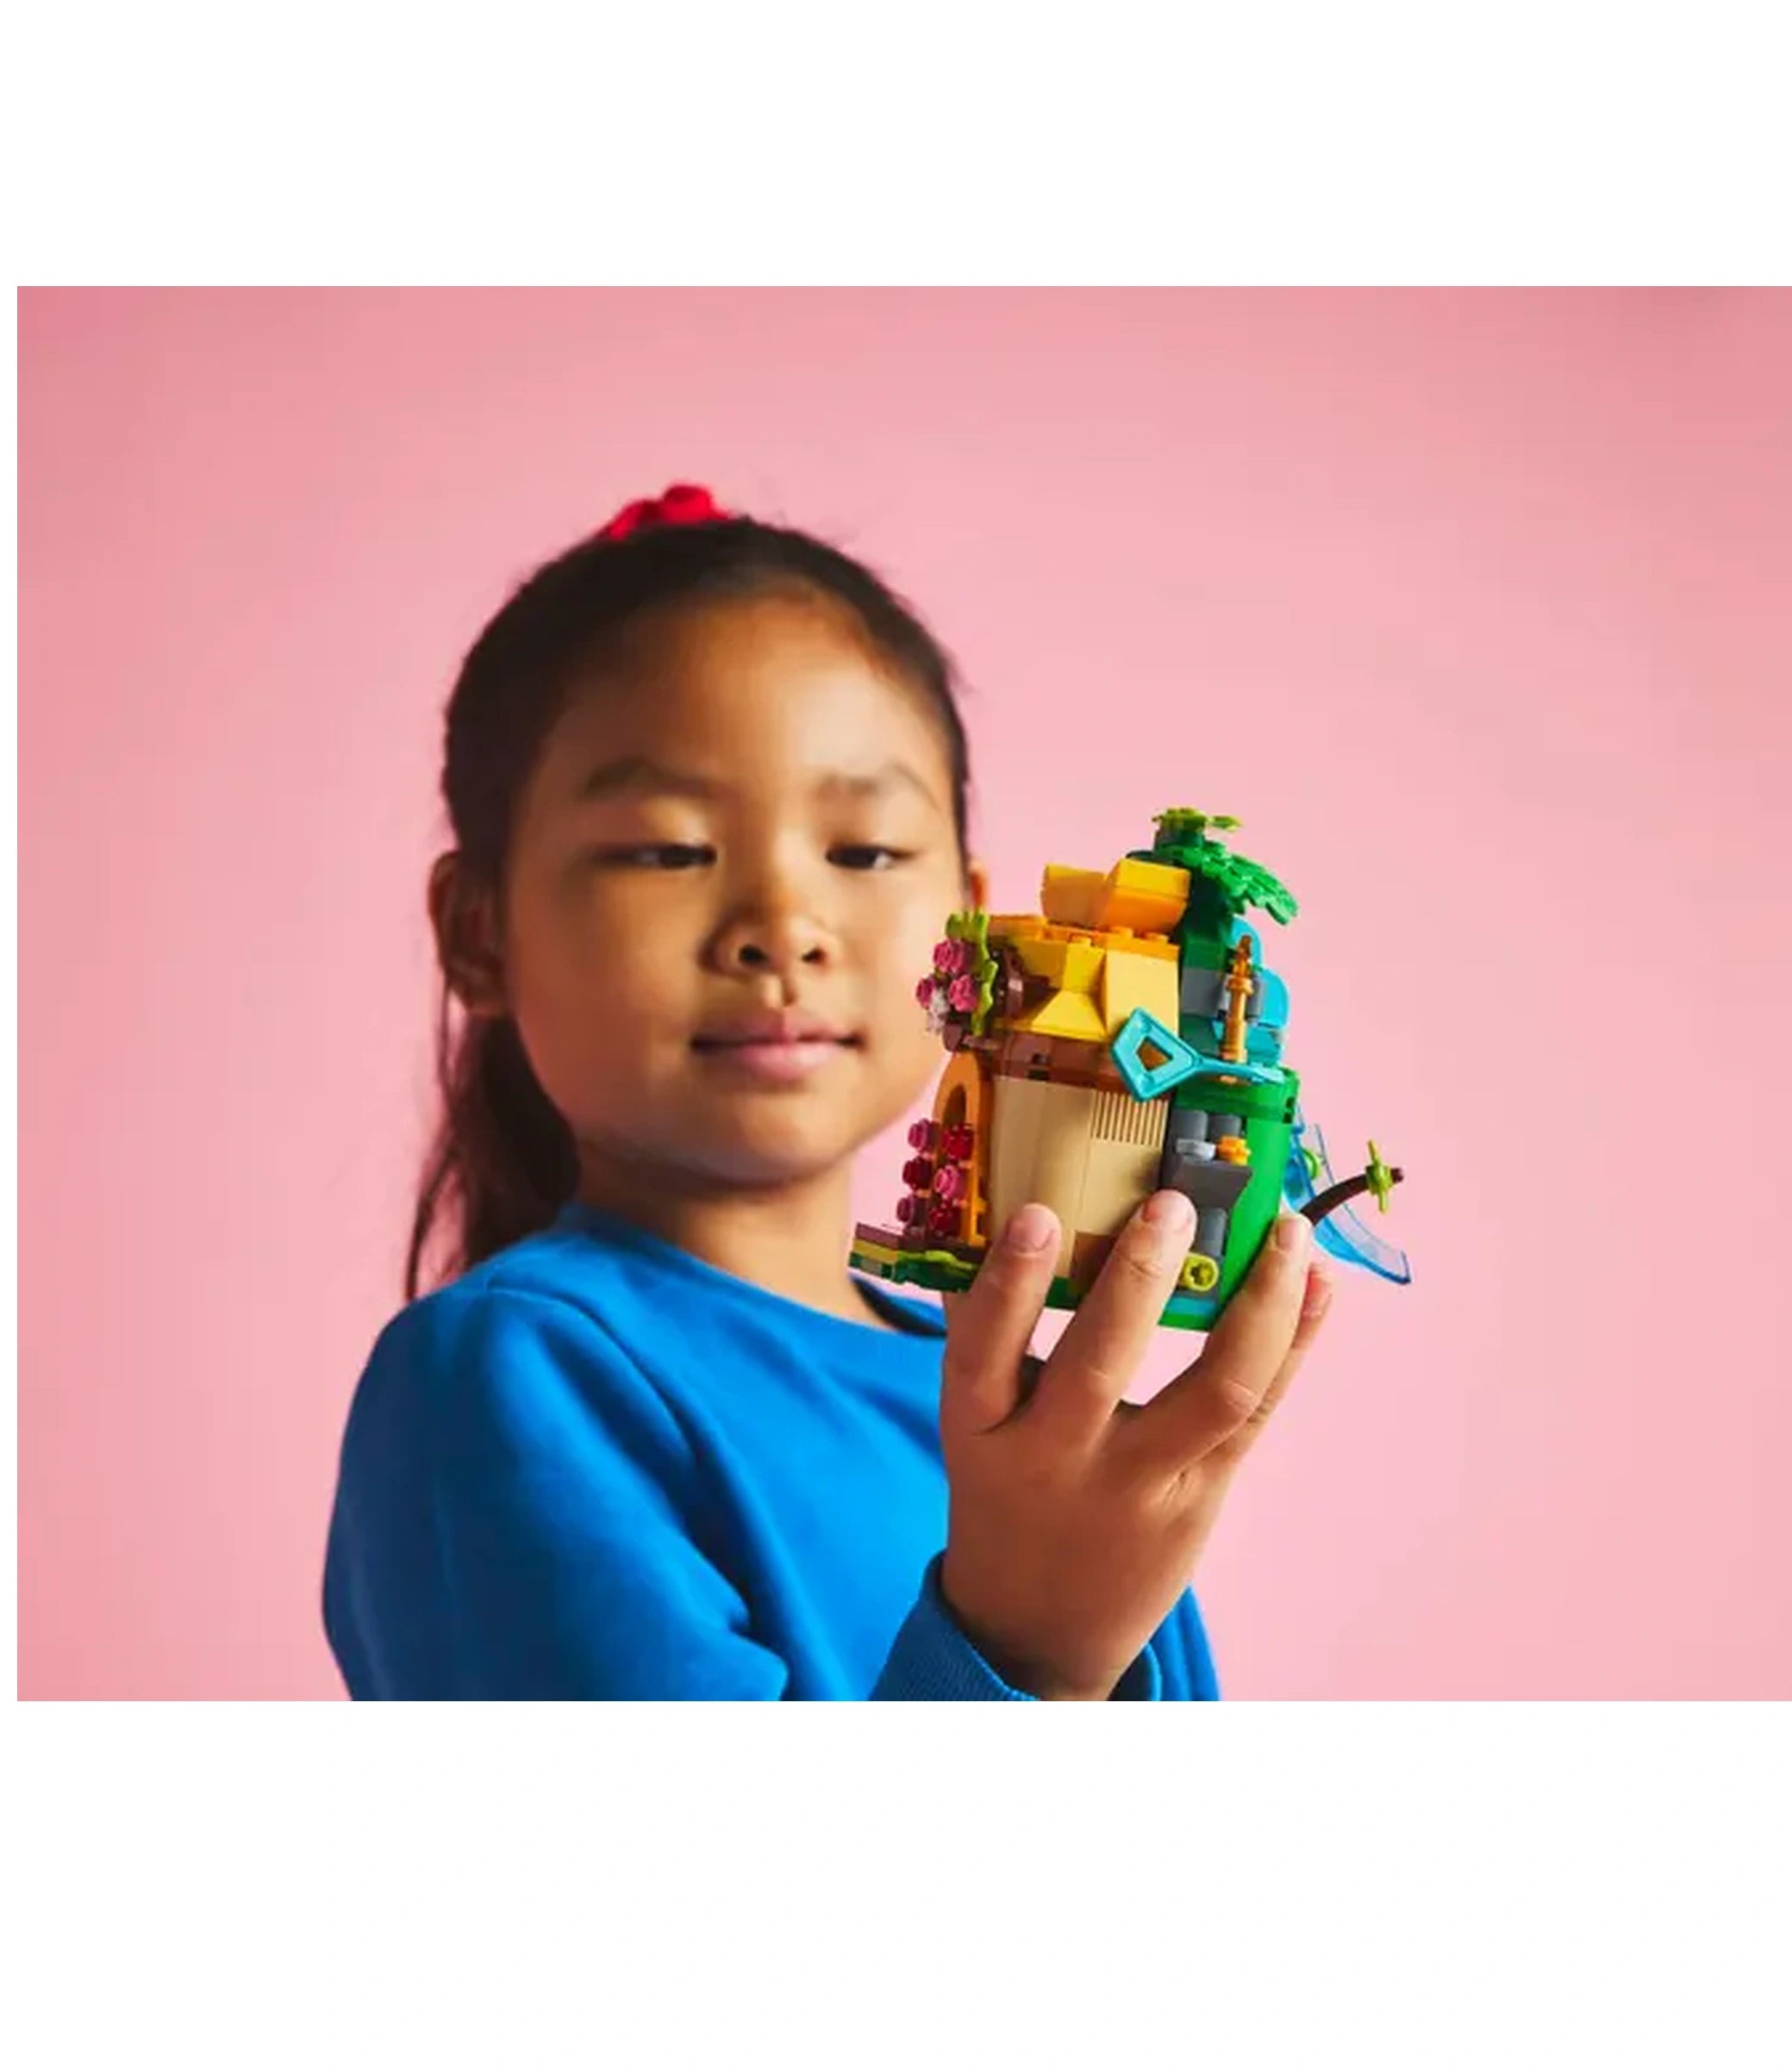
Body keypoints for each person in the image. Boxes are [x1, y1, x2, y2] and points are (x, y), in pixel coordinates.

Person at [322, 483, 1334, 1699]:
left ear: (969, 922)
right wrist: (1029, 1646)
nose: (783, 927)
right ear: (479, 933)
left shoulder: (1011, 1401)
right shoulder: (500, 1378)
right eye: (665, 848)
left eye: (861, 852)